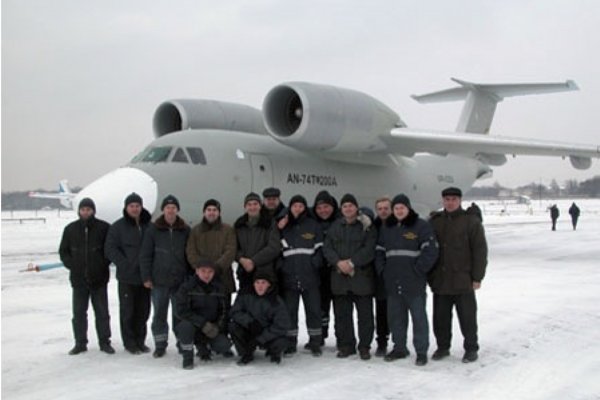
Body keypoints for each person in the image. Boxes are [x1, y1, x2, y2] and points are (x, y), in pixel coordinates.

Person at [376, 194, 439, 366]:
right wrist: (383, 271)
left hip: (414, 282)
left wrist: (418, 270)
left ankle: (421, 351)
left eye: (402, 208)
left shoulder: (420, 226)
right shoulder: (387, 228)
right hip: (393, 281)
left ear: (408, 208)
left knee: (418, 318)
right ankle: (399, 348)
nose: (399, 211)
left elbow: (431, 251)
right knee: (396, 318)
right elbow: (379, 251)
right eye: (396, 208)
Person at [428, 187, 488, 363]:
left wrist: (477, 277)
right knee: (440, 319)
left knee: (468, 318)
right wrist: (430, 276)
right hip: (441, 280)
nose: (450, 202)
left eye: (454, 199)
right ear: (442, 201)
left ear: (460, 200)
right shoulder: (435, 221)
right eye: (447, 199)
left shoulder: (471, 222)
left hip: (463, 280)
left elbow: (480, 251)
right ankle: (442, 347)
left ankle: (471, 348)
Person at [322, 193, 377, 360]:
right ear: (341, 209)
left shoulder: (366, 226)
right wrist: (338, 263)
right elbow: (327, 248)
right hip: (340, 279)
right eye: (344, 206)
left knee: (365, 317)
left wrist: (352, 263)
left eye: (350, 206)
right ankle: (346, 346)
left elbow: (369, 249)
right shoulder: (335, 227)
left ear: (356, 207)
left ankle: (364, 346)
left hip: (361, 278)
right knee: (342, 316)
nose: (348, 209)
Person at [59, 197, 114, 355]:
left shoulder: (104, 228)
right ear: (79, 211)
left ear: (93, 211)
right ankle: (80, 343)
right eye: (83, 209)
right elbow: (64, 251)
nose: (86, 212)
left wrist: (102, 263)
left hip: (99, 279)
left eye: (88, 209)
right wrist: (73, 265)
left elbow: (109, 250)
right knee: (79, 314)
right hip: (78, 280)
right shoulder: (70, 229)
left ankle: (105, 342)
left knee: (102, 313)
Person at [140, 194, 191, 358]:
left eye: (173, 208)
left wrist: (189, 277)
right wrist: (146, 277)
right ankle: (160, 344)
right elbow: (145, 255)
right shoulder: (153, 230)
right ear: (163, 210)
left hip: (179, 281)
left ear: (177, 210)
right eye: (168, 207)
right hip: (159, 281)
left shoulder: (184, 229)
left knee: (180, 314)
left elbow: (189, 255)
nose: (171, 210)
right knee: (159, 314)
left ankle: (182, 344)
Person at [105, 193, 153, 354]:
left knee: (143, 311)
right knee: (128, 311)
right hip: (127, 277)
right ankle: (130, 342)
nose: (134, 209)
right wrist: (125, 264)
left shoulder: (148, 226)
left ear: (141, 207)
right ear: (126, 208)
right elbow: (110, 249)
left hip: (145, 277)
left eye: (137, 206)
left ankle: (141, 340)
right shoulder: (118, 227)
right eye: (131, 206)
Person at [277, 195, 324, 356]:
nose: (297, 209)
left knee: (313, 310)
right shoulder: (284, 226)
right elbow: (276, 247)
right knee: (290, 311)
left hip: (310, 276)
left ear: (305, 208)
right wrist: (282, 267)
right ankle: (291, 342)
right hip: (289, 276)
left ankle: (315, 341)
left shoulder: (313, 225)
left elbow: (320, 248)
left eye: (300, 206)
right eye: (294, 206)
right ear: (290, 208)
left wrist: (315, 263)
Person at [174, 259, 232, 369]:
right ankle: (187, 356)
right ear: (197, 271)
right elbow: (181, 311)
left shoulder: (220, 288)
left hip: (212, 327)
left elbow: (224, 311)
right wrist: (202, 324)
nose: (207, 275)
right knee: (185, 327)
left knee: (224, 345)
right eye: (203, 271)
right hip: (193, 326)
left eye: (210, 271)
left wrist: (217, 327)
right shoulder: (186, 288)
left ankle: (204, 346)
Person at [229, 270, 291, 365]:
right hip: (250, 329)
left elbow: (281, 325)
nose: (260, 286)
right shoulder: (245, 295)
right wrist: (249, 322)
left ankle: (274, 353)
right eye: (257, 282)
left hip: (268, 333)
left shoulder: (276, 301)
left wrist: (260, 339)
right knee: (233, 326)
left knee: (282, 341)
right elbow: (235, 312)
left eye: (263, 283)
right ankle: (246, 353)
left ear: (269, 284)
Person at [186, 199, 236, 310]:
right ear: (204, 212)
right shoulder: (195, 231)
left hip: (223, 278)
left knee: (223, 313)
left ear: (219, 212)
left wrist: (216, 268)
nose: (211, 212)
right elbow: (191, 251)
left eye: (214, 210)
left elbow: (231, 250)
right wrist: (202, 270)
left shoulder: (228, 230)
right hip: (201, 280)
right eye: (209, 210)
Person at [234, 192, 281, 294]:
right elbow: (234, 247)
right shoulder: (239, 224)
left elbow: (274, 247)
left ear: (260, 206)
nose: (252, 207)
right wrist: (241, 259)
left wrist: (253, 261)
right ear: (245, 207)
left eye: (255, 204)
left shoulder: (269, 223)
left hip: (264, 275)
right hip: (245, 273)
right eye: (249, 204)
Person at [311, 190, 340, 345]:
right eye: (319, 208)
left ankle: (342, 338)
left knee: (340, 307)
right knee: (321, 307)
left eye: (326, 207)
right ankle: (320, 335)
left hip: (338, 271)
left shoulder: (340, 221)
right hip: (320, 272)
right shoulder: (312, 222)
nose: (323, 211)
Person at [373, 196, 392, 357]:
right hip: (378, 275)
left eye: (386, 208)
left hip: (395, 274)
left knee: (395, 310)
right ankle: (382, 341)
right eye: (380, 209)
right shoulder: (373, 226)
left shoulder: (399, 225)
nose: (383, 211)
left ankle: (399, 341)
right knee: (381, 309)